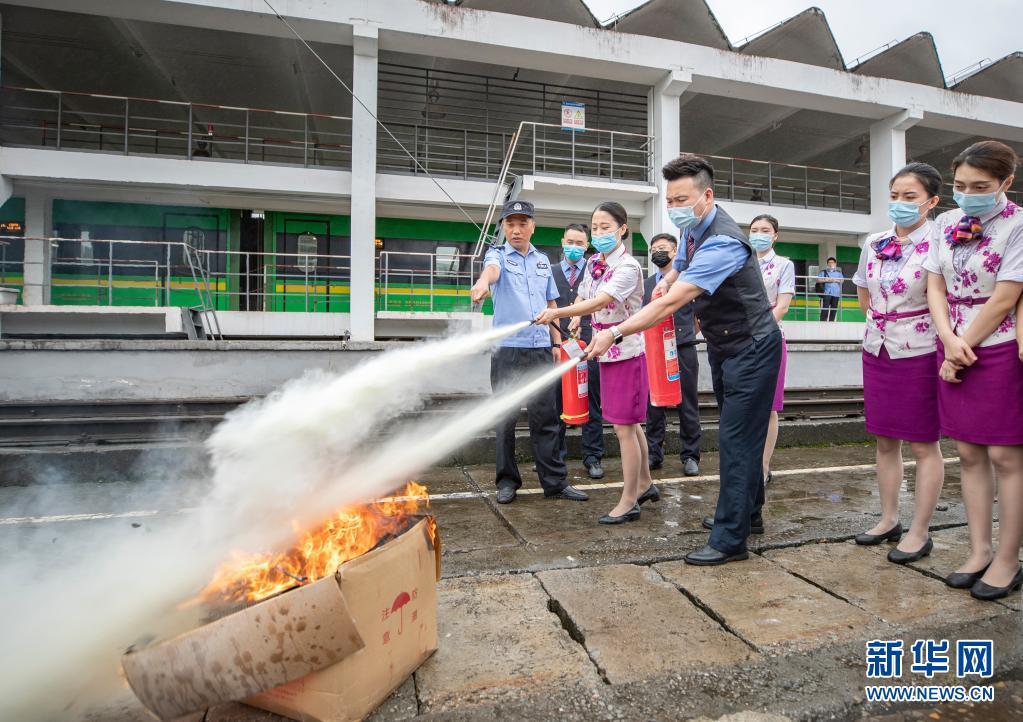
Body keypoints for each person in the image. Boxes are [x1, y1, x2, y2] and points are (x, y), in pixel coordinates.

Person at [590, 154, 781, 564]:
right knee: (741, 437)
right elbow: (680, 267)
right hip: (727, 346)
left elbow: (673, 304)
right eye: (670, 201)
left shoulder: (725, 241)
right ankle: (748, 516)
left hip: (752, 347)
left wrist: (615, 331)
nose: (675, 208)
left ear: (706, 196)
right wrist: (669, 278)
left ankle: (731, 540)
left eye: (682, 199)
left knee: (735, 440)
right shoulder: (697, 229)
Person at [924, 140, 1023, 601]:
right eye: (961, 185)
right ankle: (979, 548)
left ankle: (1008, 557)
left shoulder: (1019, 225)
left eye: (980, 186)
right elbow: (935, 285)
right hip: (952, 342)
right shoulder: (945, 222)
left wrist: (963, 343)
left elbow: (1006, 295)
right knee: (966, 453)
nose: (968, 194)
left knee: (1006, 457)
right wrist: (947, 339)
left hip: (999, 345)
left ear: (1006, 182)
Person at [535, 202, 653, 524]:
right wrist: (575, 317)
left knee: (623, 428)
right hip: (605, 350)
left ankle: (629, 500)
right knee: (629, 424)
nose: (600, 233)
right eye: (596, 227)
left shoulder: (628, 267)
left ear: (623, 229)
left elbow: (602, 300)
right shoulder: (594, 263)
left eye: (606, 227)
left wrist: (558, 313)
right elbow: (584, 296)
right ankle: (644, 483)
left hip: (625, 351)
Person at [851, 162, 945, 565]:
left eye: (910, 197)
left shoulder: (941, 241)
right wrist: (881, 324)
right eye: (894, 196)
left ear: (932, 201)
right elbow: (863, 294)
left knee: (925, 443)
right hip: (878, 348)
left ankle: (920, 530)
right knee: (885, 439)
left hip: (921, 348)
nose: (900, 204)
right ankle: (888, 518)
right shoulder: (873, 241)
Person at [469, 200, 589, 505]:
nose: (516, 229)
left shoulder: (542, 261)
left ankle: (555, 482)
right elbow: (491, 272)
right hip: (508, 350)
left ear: (532, 226)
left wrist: (556, 344)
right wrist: (482, 283)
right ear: (504, 227)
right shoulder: (496, 254)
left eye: (523, 223)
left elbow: (552, 307)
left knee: (546, 418)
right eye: (510, 224)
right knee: (505, 419)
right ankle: (507, 482)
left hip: (539, 350)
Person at [643, 233, 701, 477]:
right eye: (654, 248)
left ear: (676, 252)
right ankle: (654, 453)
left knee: (687, 403)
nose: (658, 251)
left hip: (683, 346)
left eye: (663, 248)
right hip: (654, 352)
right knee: (654, 404)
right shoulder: (646, 284)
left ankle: (690, 455)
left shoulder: (687, 280)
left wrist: (682, 334)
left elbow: (698, 317)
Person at [551, 224, 605, 479]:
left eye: (580, 243)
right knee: (557, 402)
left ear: (586, 246)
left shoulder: (595, 271)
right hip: (558, 346)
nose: (574, 247)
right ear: (562, 242)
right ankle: (555, 457)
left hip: (590, 345)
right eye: (570, 241)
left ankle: (592, 456)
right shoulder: (550, 272)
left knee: (591, 398)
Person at [748, 214, 793, 488]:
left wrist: (758, 330)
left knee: (768, 408)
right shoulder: (741, 262)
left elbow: (783, 306)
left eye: (765, 230)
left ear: (775, 235)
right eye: (754, 230)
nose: (759, 234)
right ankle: (748, 464)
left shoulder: (783, 265)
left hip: (768, 340)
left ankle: (763, 467)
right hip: (740, 341)